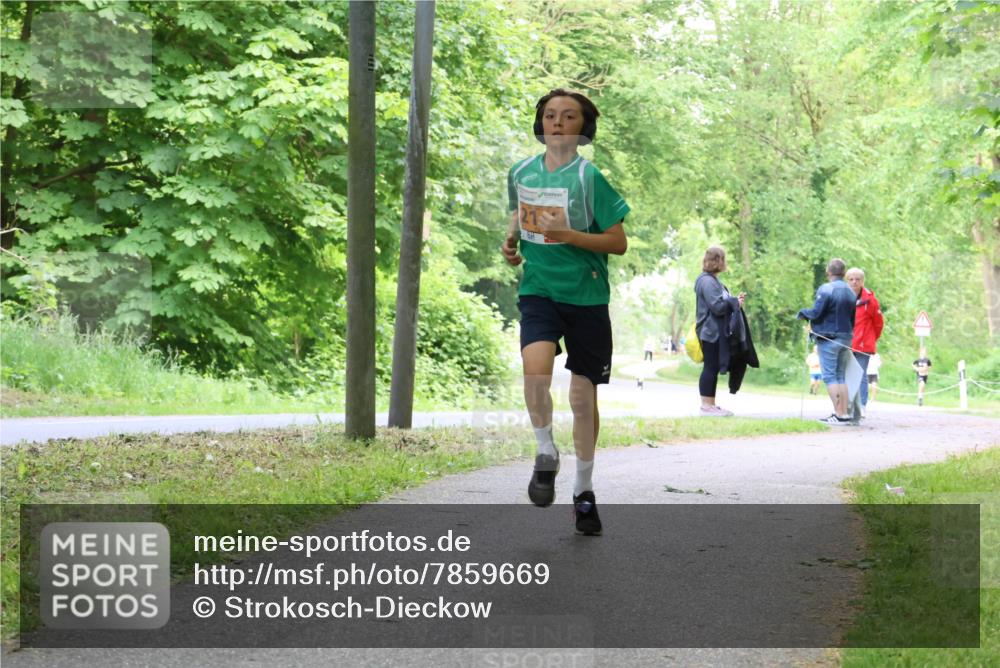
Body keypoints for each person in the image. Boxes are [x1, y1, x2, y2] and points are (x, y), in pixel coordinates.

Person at [501, 88, 629, 536]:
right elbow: (519, 216)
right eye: (550, 115)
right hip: (539, 291)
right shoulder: (520, 171)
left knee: (581, 397)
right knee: (533, 370)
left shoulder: (589, 178)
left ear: (582, 128)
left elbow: (618, 241)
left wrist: (571, 235)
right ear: (541, 124)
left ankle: (584, 492)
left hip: (587, 297)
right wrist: (511, 244)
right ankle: (545, 453)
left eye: (568, 116)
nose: (557, 122)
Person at [797, 258, 857, 425]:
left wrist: (803, 313)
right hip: (846, 336)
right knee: (841, 376)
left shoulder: (827, 289)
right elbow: (853, 318)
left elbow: (817, 312)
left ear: (828, 272)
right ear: (844, 273)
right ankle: (844, 414)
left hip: (829, 338)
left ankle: (838, 414)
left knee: (830, 377)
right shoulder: (851, 292)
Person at [694, 246, 746, 416]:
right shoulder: (707, 281)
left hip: (716, 331)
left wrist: (735, 302)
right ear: (718, 260)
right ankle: (706, 406)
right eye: (723, 259)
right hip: (710, 332)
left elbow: (722, 303)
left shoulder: (713, 280)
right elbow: (717, 307)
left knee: (713, 367)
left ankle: (711, 404)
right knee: (710, 367)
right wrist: (733, 303)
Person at [846, 267, 884, 418]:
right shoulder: (841, 297)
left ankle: (861, 406)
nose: (854, 282)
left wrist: (870, 339)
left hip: (863, 344)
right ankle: (846, 406)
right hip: (845, 342)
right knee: (845, 375)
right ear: (846, 280)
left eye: (858, 279)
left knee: (860, 375)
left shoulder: (870, 300)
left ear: (862, 281)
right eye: (851, 279)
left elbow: (878, 323)